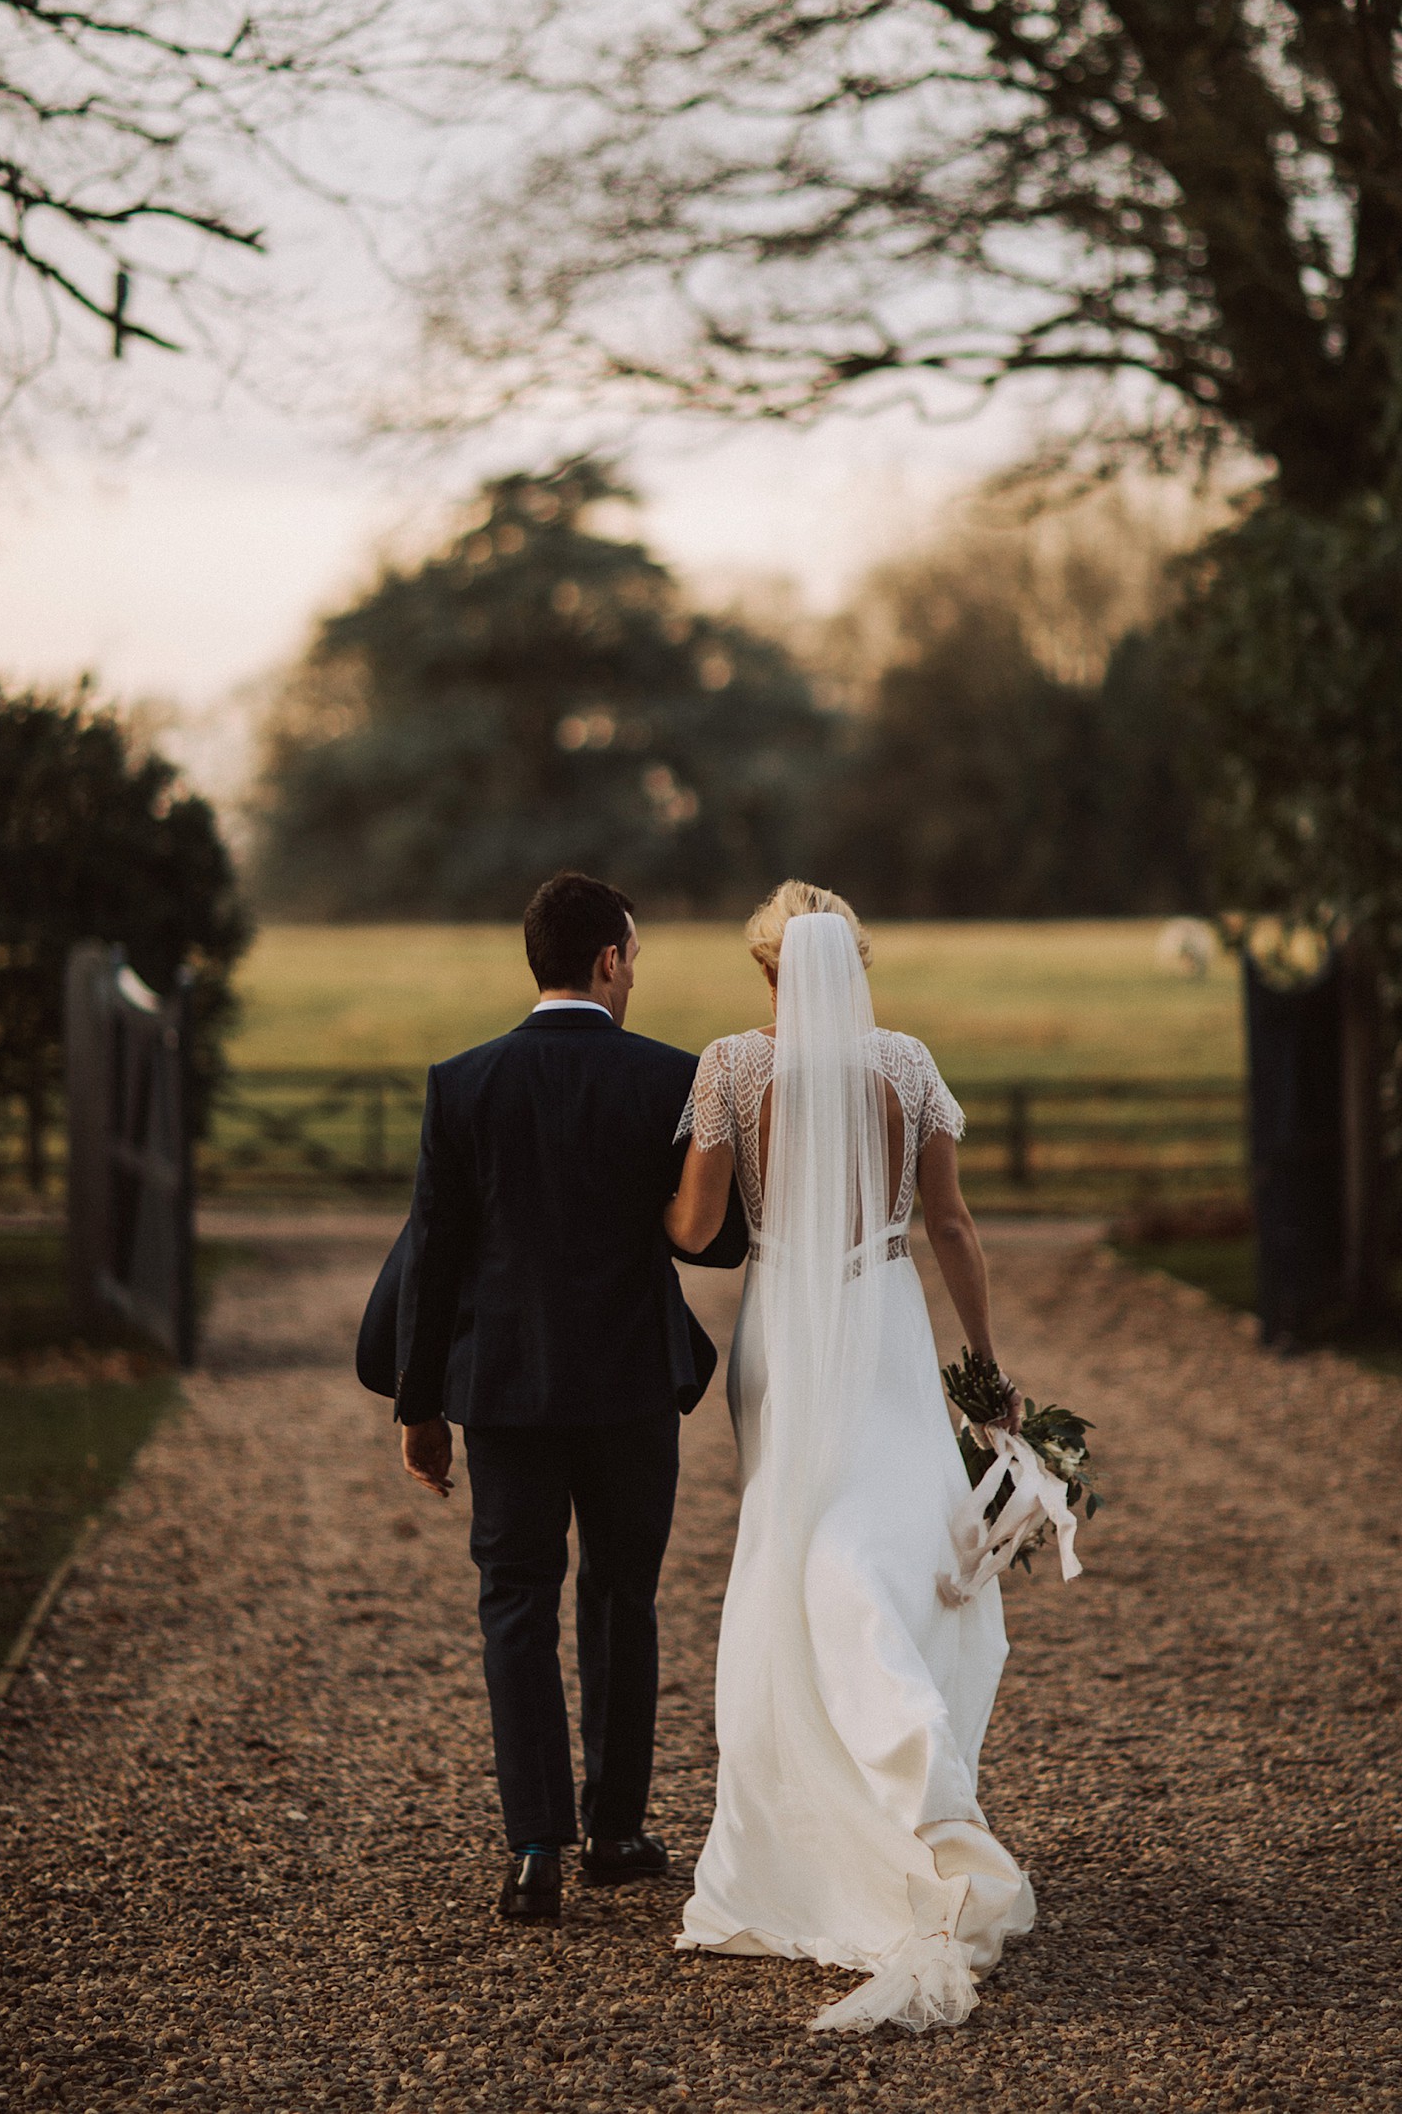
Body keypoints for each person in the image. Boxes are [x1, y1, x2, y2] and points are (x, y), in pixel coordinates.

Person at [663, 880, 1036, 2033]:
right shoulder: (906, 1065)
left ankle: (829, 1801)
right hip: (879, 1322)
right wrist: (982, 1367)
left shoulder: (730, 1067)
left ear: (767, 967)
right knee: (884, 1532)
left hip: (784, 1321)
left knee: (792, 1540)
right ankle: (907, 1766)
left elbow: (689, 1228)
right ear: (856, 961)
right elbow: (953, 1225)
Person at [393, 871, 745, 1924]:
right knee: (618, 1599)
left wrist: (418, 1407)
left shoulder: (463, 1084)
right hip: (631, 1385)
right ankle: (619, 1830)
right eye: (632, 957)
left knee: (514, 1605)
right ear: (605, 961)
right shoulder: (671, 1079)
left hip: (501, 1392)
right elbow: (716, 1239)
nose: (634, 974)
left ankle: (534, 1848)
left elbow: (432, 1259)